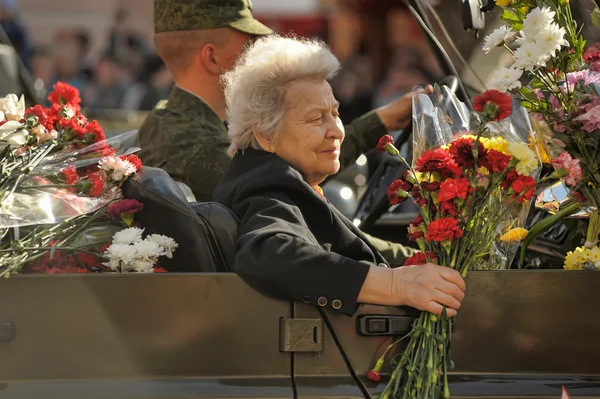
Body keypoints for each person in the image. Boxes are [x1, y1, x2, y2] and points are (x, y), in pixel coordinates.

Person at [139, 0, 417, 266]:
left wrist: (381, 121)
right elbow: (307, 210)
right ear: (212, 57)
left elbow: (294, 161)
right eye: (248, 42)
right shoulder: (195, 143)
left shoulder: (180, 122)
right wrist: (414, 259)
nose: (256, 50)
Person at [215, 36, 465, 316]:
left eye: (335, 113)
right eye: (315, 118)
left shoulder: (277, 177)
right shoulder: (267, 185)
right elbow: (268, 254)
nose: (337, 130)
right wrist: (397, 285)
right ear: (265, 134)